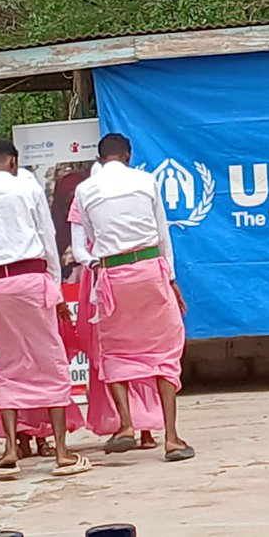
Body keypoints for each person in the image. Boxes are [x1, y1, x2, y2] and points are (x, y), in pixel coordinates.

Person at [0, 140, 91, 478]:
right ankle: (61, 452)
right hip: (32, 279)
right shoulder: (27, 188)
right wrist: (56, 289)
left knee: (9, 362)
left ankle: (9, 450)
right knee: (49, 358)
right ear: (13, 161)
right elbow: (48, 239)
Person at [73, 133, 192, 462]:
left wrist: (102, 262)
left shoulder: (85, 191)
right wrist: (170, 278)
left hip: (112, 274)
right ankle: (171, 437)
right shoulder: (146, 180)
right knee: (165, 350)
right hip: (150, 269)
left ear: (100, 159)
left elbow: (90, 241)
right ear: (128, 155)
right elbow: (162, 231)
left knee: (115, 348)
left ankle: (126, 424)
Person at [69, 191, 163, 447]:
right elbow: (79, 248)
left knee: (140, 348)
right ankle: (125, 421)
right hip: (100, 277)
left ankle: (145, 425)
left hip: (121, 273)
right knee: (109, 352)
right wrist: (95, 264)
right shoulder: (83, 200)